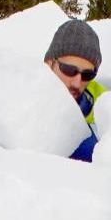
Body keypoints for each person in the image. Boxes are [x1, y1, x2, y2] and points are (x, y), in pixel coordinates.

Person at [45, 19, 106, 162]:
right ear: (49, 64)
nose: (77, 83)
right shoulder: (22, 104)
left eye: (87, 75)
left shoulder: (104, 109)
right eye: (69, 70)